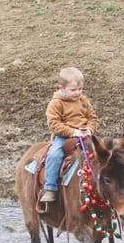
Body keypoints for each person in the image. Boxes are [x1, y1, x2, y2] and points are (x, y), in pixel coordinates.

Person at [38, 66, 99, 208]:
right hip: (64, 137)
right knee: (54, 155)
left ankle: (99, 186)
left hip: (85, 136)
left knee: (101, 155)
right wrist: (73, 132)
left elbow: (93, 118)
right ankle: (51, 187)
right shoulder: (56, 103)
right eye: (73, 90)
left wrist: (89, 129)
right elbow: (53, 124)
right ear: (61, 88)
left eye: (80, 89)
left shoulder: (83, 101)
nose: (77, 93)